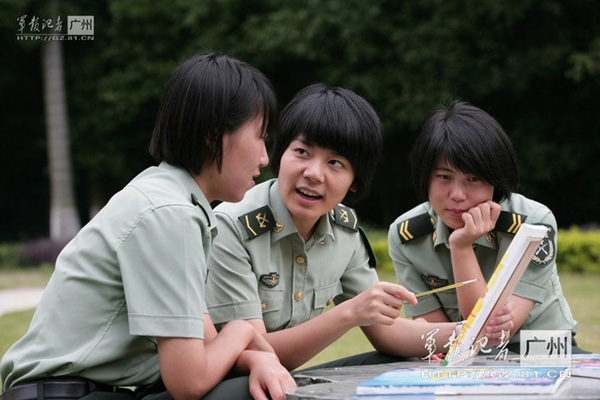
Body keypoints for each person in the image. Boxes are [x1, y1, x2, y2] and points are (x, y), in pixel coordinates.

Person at [0, 52, 295, 400]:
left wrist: (257, 358)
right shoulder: (169, 214)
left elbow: (206, 346)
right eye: (260, 137)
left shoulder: (171, 200)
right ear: (214, 135)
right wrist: (243, 329)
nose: (264, 157)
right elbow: (189, 381)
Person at [205, 84, 514, 389]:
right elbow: (255, 352)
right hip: (225, 383)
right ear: (280, 154)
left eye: (335, 163)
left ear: (355, 181)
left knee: (396, 366)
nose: (313, 173)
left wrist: (473, 330)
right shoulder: (232, 227)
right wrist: (349, 313)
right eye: (302, 152)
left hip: (277, 379)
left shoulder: (343, 230)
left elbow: (387, 334)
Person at [388, 100, 582, 354]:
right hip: (460, 352)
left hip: (539, 348)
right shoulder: (407, 236)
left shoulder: (533, 223)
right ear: (425, 176)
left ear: (495, 179)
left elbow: (492, 335)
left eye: (474, 178)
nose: (457, 194)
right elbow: (439, 335)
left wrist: (461, 246)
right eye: (444, 177)